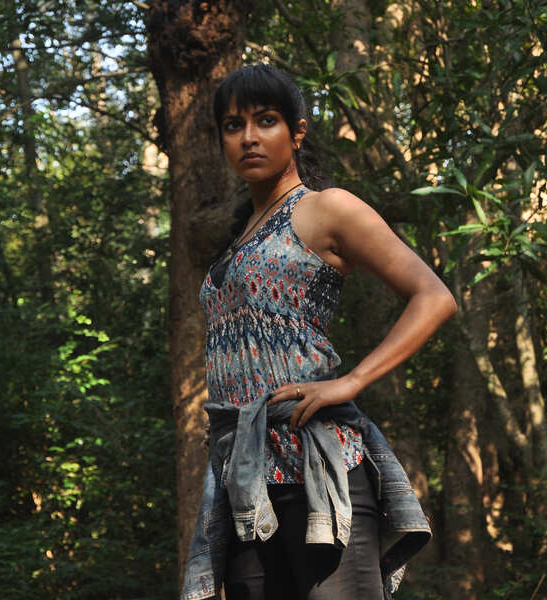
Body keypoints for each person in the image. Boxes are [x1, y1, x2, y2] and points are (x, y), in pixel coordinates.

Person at [181, 64, 457, 600]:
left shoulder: (325, 208)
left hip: (316, 469)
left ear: (297, 133)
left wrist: (349, 382)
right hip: (246, 482)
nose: (249, 137)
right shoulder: (239, 236)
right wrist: (233, 416)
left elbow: (434, 297)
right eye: (234, 126)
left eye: (266, 121)